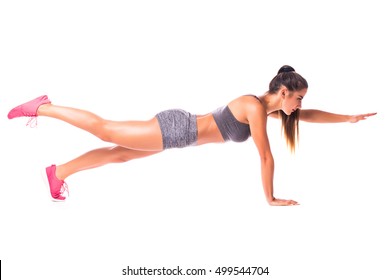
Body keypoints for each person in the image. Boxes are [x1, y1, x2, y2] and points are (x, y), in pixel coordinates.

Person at [7, 65, 376, 205]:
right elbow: (265, 156)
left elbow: (307, 116)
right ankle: (42, 107)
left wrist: (347, 118)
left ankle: (59, 173)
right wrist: (271, 198)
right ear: (282, 92)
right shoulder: (253, 108)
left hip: (177, 135)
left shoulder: (269, 108)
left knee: (118, 154)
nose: (298, 106)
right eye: (296, 98)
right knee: (104, 129)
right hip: (175, 129)